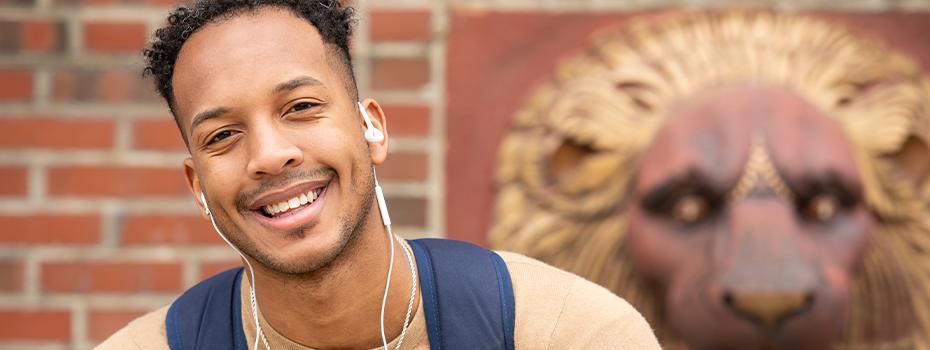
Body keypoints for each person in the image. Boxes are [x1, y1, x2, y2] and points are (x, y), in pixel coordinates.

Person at [97, 1, 660, 349]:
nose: (269, 155)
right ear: (198, 188)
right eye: (223, 136)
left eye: (300, 107)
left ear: (373, 130)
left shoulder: (565, 333)